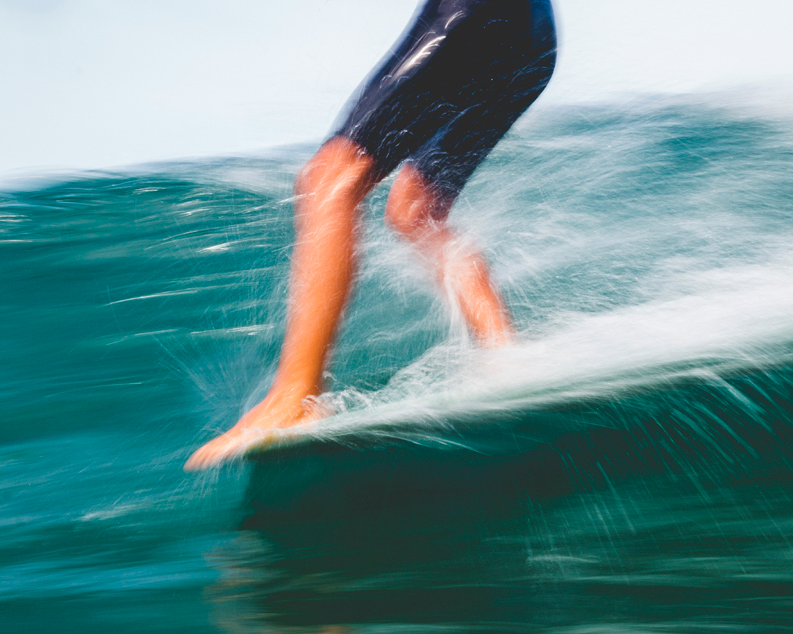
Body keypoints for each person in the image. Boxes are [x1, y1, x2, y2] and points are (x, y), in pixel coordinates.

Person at [186, 0, 557, 470]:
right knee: (415, 211)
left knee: (330, 179)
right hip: (536, 37)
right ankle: (506, 357)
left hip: (476, 12)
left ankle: (297, 396)